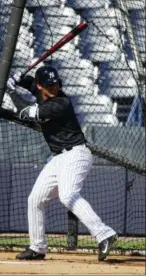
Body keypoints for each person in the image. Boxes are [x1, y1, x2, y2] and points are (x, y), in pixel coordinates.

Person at [7, 65, 117, 261]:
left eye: (56, 83)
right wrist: (20, 79)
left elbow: (24, 111)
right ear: (42, 86)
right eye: (49, 84)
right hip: (58, 158)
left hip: (76, 154)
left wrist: (10, 90)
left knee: (67, 195)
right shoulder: (42, 93)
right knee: (35, 199)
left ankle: (104, 234)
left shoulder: (60, 103)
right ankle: (37, 247)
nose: (54, 87)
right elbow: (32, 85)